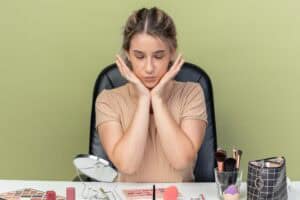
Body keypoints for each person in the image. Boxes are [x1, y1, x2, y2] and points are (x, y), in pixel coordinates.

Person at [95, 7, 207, 182]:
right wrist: (143, 100)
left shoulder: (192, 93)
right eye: (139, 56)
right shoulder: (108, 100)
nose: (149, 68)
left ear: (172, 54)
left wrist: (157, 99)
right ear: (127, 55)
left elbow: (181, 161)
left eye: (158, 56)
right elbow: (127, 165)